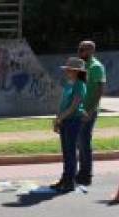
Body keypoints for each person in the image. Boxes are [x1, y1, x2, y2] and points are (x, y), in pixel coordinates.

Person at [51, 57, 88, 193]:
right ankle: (65, 178)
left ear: (77, 71)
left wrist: (60, 119)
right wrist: (58, 119)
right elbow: (63, 104)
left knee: (71, 152)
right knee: (66, 153)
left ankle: (70, 181)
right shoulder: (69, 84)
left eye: (70, 69)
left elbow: (74, 106)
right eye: (67, 69)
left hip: (73, 121)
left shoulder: (80, 85)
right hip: (65, 120)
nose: (67, 71)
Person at [76, 40, 107, 186]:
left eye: (83, 50)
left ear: (91, 51)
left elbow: (100, 91)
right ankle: (81, 171)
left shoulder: (96, 67)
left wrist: (90, 110)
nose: (80, 52)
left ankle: (86, 174)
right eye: (79, 49)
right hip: (80, 109)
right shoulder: (82, 66)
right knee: (79, 142)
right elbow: (81, 87)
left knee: (84, 141)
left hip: (90, 110)